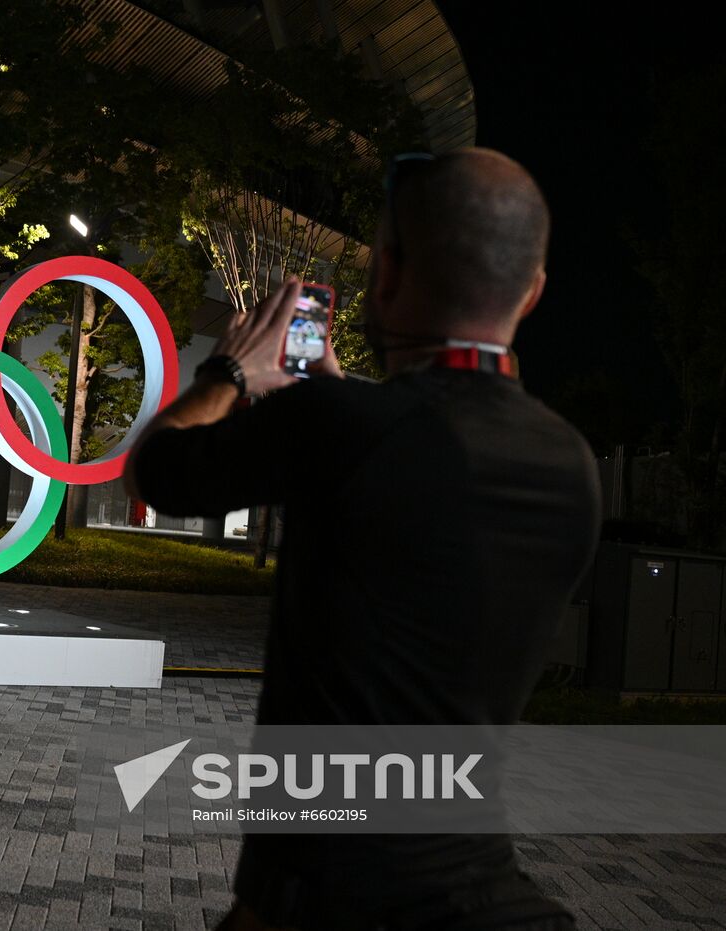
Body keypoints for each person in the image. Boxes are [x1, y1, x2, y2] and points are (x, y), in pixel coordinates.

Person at [125, 148, 601, 929]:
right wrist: (339, 405)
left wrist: (230, 373)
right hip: (481, 890)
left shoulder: (343, 430)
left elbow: (158, 471)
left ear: (385, 273)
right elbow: (419, 484)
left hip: (320, 896)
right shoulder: (570, 466)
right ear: (535, 291)